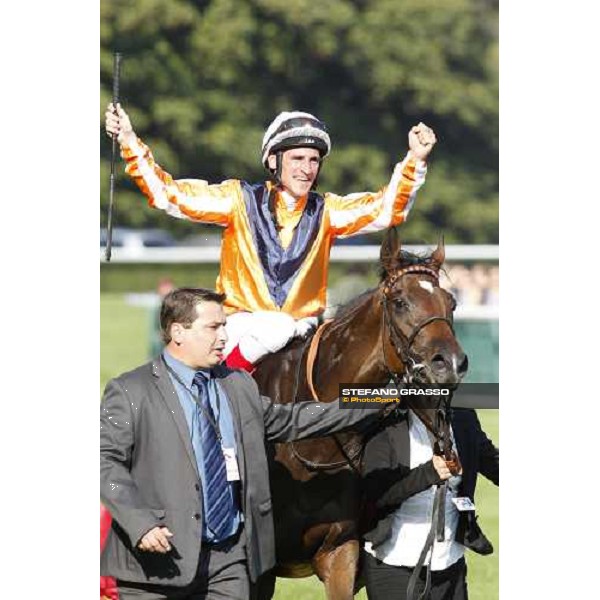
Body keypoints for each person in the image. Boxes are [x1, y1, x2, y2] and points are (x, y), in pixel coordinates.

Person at [101, 287, 390, 600]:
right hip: (156, 565)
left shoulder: (237, 385)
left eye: (224, 326)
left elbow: (298, 418)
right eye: (213, 327)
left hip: (229, 566)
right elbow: (104, 462)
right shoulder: (131, 390)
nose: (224, 337)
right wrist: (140, 523)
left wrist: (382, 395)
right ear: (177, 332)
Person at [104, 105, 437, 371]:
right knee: (274, 327)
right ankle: (223, 390)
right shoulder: (237, 199)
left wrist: (414, 160)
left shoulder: (328, 211)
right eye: (297, 159)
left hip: (303, 332)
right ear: (273, 161)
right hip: (239, 328)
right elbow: (167, 195)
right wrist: (129, 140)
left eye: (313, 160)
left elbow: (386, 210)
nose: (307, 169)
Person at [361, 408, 499, 600]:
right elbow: (377, 492)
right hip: (393, 562)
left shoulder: (464, 417)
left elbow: (494, 463)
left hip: (450, 562)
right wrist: (428, 473)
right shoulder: (385, 421)